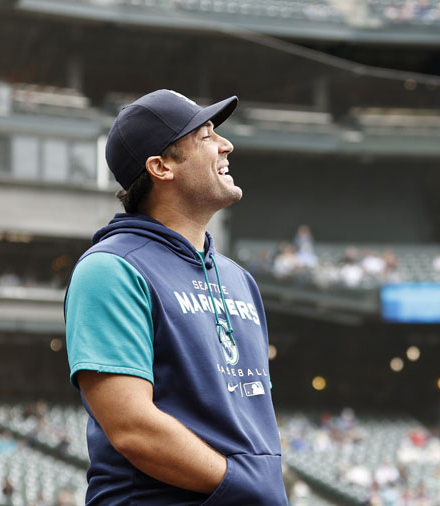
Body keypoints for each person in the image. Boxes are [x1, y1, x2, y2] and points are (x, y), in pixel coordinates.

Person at [65, 89, 288, 504]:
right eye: (205, 136)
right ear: (161, 167)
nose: (226, 144)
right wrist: (244, 484)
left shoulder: (239, 279)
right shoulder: (111, 269)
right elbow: (134, 428)